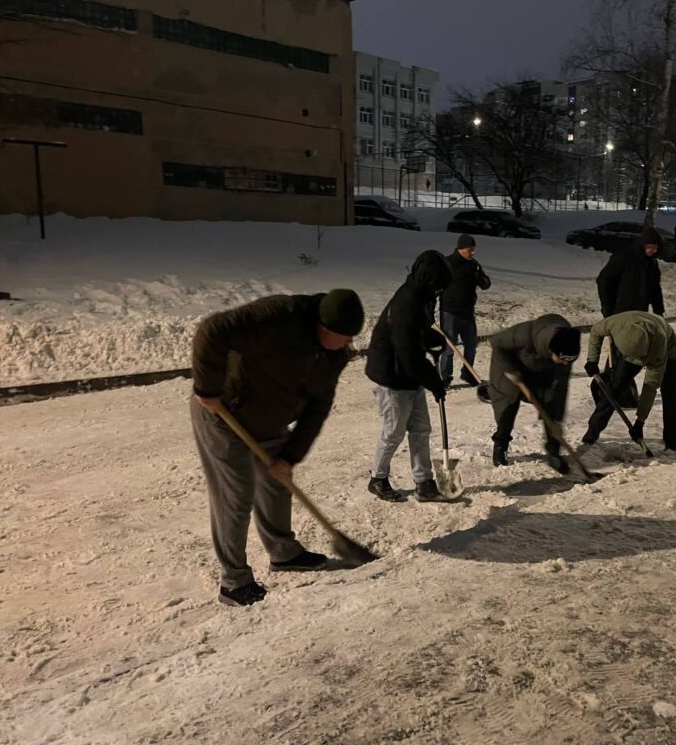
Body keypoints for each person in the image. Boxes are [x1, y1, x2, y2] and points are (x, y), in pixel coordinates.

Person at [191, 289, 365, 607]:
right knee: (236, 495)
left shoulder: (335, 354)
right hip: (225, 412)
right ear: (322, 327)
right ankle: (234, 582)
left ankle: (284, 554)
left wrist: (290, 456)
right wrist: (207, 387)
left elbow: (319, 405)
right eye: (343, 337)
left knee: (278, 482)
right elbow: (211, 330)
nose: (347, 345)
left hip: (270, 418)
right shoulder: (277, 317)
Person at [365, 250, 451, 503]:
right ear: (429, 279)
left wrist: (430, 338)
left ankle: (424, 482)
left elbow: (416, 336)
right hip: (391, 375)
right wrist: (434, 381)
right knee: (393, 432)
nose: (439, 292)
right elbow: (408, 354)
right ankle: (377, 478)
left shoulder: (423, 296)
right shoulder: (407, 304)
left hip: (409, 373)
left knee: (421, 428)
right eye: (438, 286)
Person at [488, 315, 581, 473]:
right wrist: (510, 369)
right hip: (510, 370)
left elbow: (561, 389)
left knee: (551, 404)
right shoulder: (524, 335)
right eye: (563, 359)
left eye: (570, 360)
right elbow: (496, 342)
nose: (566, 363)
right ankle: (500, 445)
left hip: (541, 372)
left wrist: (557, 419)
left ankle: (554, 451)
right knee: (508, 406)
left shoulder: (565, 350)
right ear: (552, 350)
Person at [582, 311, 676, 453]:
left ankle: (672, 442)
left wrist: (640, 422)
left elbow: (650, 386)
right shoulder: (615, 324)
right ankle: (592, 433)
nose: (640, 363)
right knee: (614, 387)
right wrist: (592, 360)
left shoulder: (659, 347)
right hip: (632, 349)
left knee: (669, 391)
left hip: (666, 346)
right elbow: (595, 331)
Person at [439, 233, 492, 388]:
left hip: (467, 312)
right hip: (450, 312)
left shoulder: (473, 264)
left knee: (471, 345)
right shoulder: (448, 263)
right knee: (449, 348)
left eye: (474, 249)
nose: (473, 252)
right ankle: (445, 379)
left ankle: (467, 373)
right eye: (471, 249)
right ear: (462, 249)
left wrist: (479, 277)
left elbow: (486, 283)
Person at [596, 227, 665, 318]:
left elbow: (655, 288)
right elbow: (604, 280)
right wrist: (607, 308)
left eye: (656, 248)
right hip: (620, 311)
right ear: (643, 245)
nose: (655, 251)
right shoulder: (624, 257)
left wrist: (658, 310)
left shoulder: (652, 264)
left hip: (641, 311)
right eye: (652, 247)